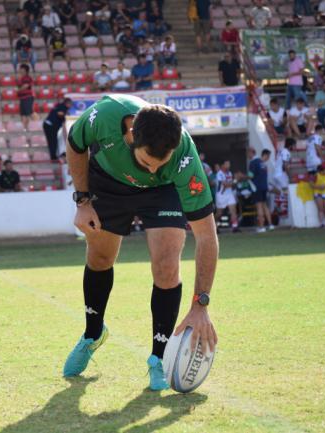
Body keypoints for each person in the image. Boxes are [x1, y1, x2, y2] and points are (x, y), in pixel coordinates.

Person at [63, 95, 218, 391]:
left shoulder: (184, 158)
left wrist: (201, 304)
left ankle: (158, 358)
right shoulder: (105, 116)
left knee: (166, 266)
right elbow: (75, 143)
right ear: (131, 135)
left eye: (161, 163)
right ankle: (92, 334)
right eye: (146, 161)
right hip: (108, 182)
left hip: (162, 192)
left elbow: (207, 236)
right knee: (99, 259)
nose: (151, 169)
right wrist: (83, 201)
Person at [249, 149, 274, 232]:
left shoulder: (253, 163)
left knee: (259, 206)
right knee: (265, 206)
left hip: (257, 188)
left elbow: (250, 176)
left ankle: (261, 227)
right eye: (269, 156)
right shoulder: (264, 164)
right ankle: (270, 225)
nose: (268, 158)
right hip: (264, 187)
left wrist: (241, 177)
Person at [215, 160, 239, 232]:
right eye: (227, 164)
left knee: (233, 211)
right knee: (219, 213)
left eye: (229, 164)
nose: (228, 165)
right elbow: (225, 184)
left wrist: (234, 181)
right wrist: (236, 180)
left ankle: (235, 227)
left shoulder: (230, 173)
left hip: (229, 194)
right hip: (221, 195)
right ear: (222, 165)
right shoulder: (219, 174)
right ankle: (215, 226)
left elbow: (230, 185)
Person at [17, 64, 36, 130]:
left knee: (29, 113)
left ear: (25, 70)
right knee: (23, 114)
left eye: (21, 69)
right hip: (22, 98)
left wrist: (17, 90)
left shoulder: (27, 78)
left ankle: (37, 123)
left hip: (27, 97)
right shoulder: (21, 78)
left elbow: (26, 86)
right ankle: (24, 128)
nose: (20, 70)